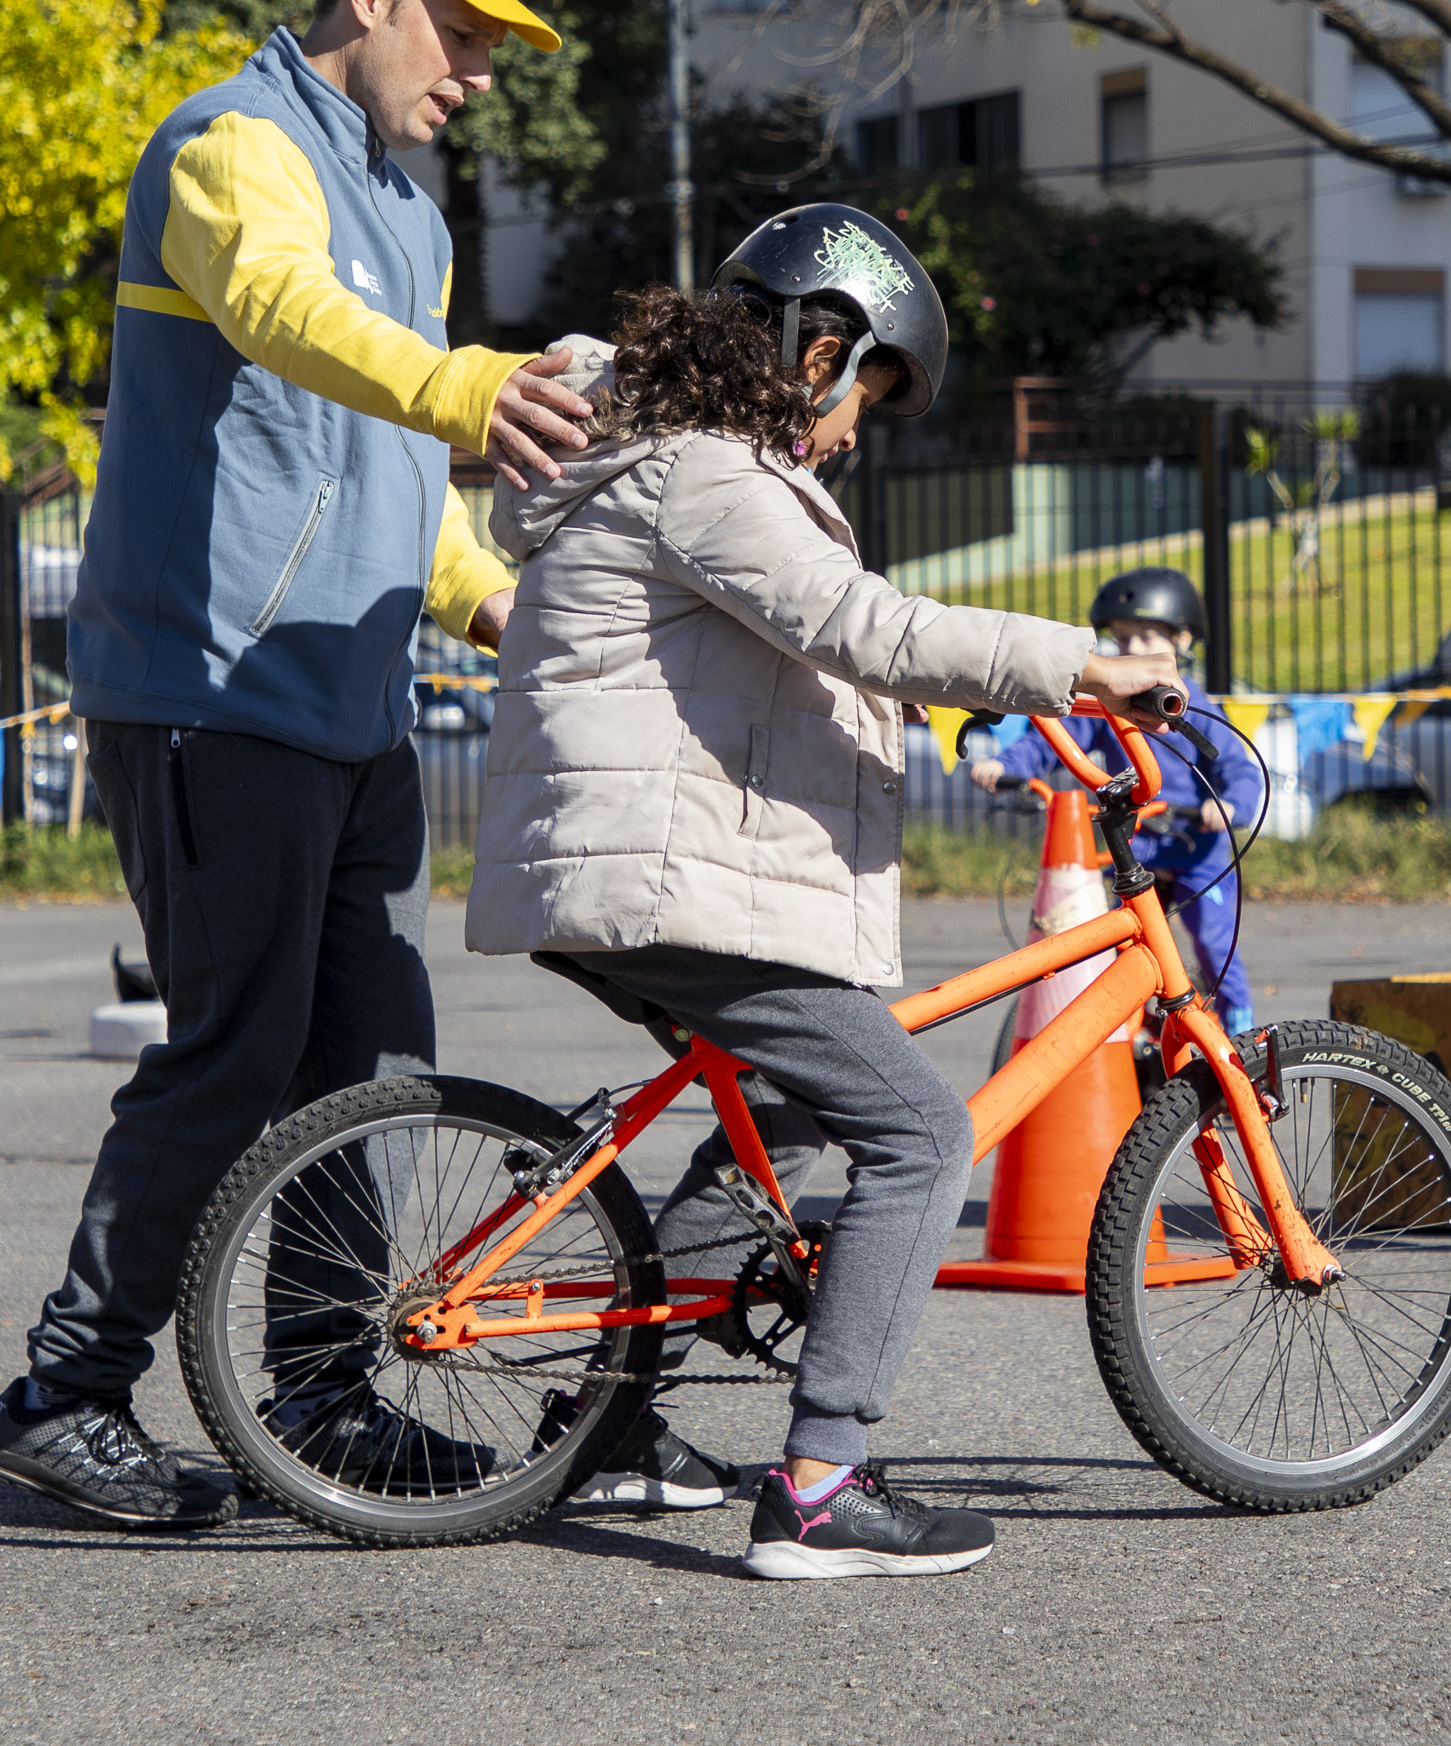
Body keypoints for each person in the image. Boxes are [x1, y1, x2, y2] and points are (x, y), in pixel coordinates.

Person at [0, 0, 603, 1530]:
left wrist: (497, 598)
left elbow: (389, 458)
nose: (478, 73)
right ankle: (66, 1391)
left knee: (375, 1070)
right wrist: (472, 383)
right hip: (209, 688)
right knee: (233, 1057)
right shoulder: (226, 142)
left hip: (351, 702)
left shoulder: (413, 207)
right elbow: (278, 313)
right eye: (463, 35)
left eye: (495, 48)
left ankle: (322, 1399)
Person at [466, 204, 1183, 1579]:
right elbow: (860, 624)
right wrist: (1079, 668)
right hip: (665, 883)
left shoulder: (658, 459)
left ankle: (615, 1430)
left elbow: (794, 656)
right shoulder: (707, 474)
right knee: (919, 1132)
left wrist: (942, 708)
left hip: (629, 870)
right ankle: (818, 1485)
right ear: (817, 351)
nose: (861, 429)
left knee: (782, 1120)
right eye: (872, 395)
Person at [966, 566, 1264, 1030]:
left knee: (1213, 939)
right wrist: (1009, 765)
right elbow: (1055, 740)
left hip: (1194, 851)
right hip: (1136, 851)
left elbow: (1239, 769)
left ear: (1183, 641)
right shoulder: (1111, 705)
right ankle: (1128, 1038)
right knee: (1115, 944)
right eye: (1123, 641)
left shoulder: (1196, 707)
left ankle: (1241, 1028)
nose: (1133, 653)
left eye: (1147, 638)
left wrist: (1227, 805)